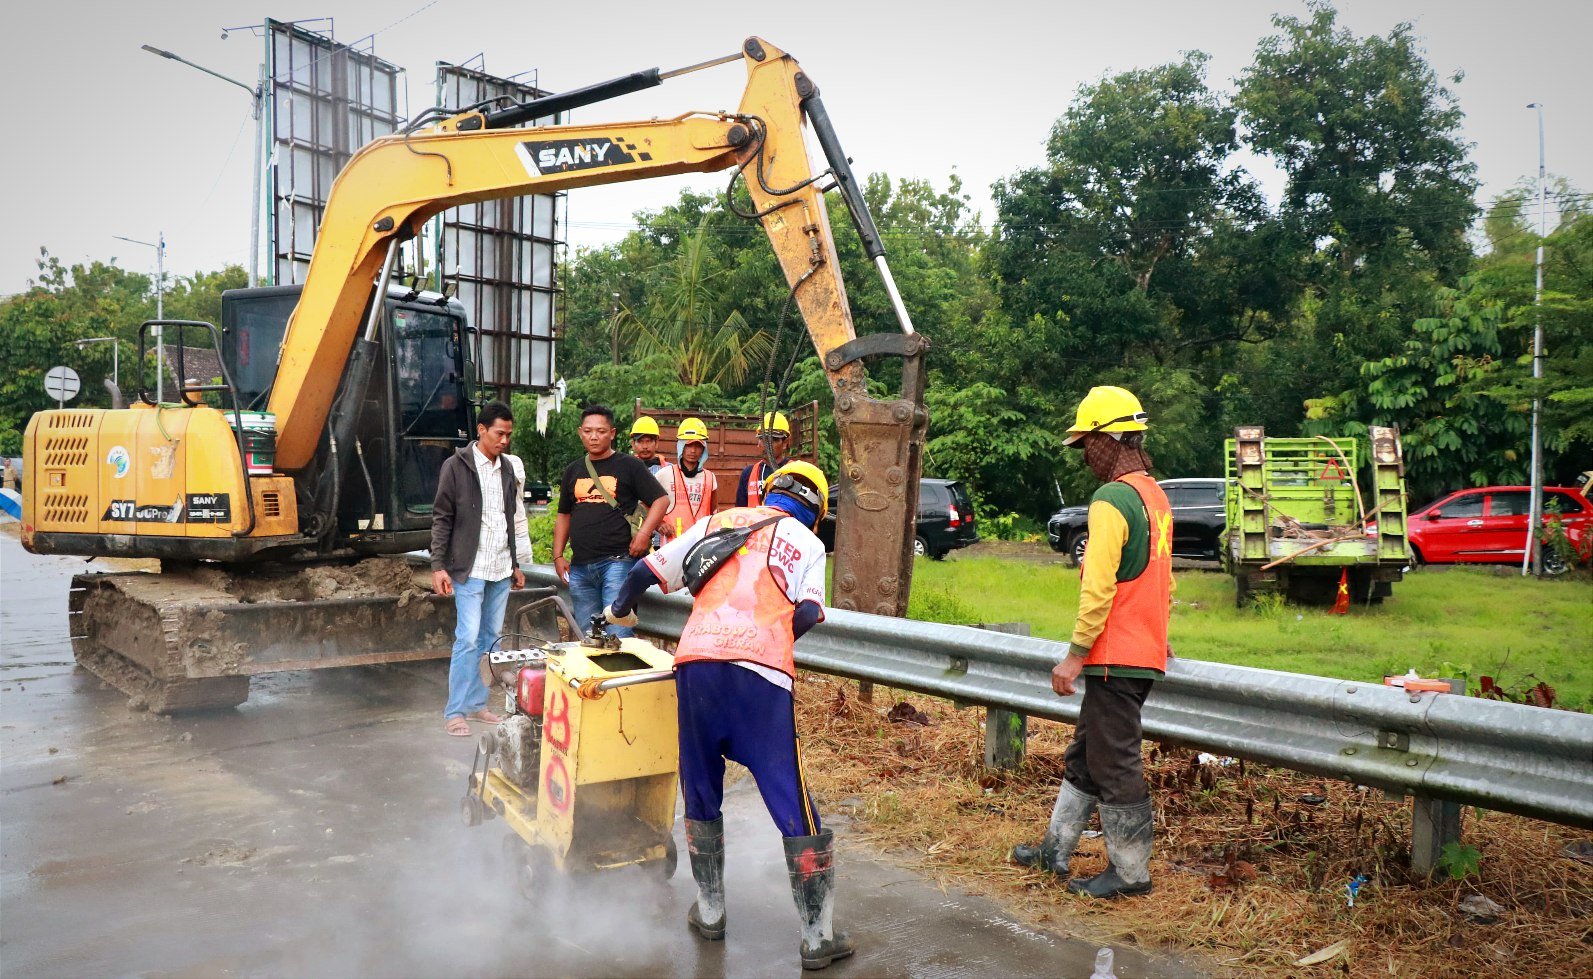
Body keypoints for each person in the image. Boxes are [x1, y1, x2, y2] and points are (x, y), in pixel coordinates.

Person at [603, 460, 854, 970]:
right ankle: (817, 935)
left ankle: (712, 913)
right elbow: (807, 611)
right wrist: (770, 639)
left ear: (770, 490)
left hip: (696, 665)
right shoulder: (807, 543)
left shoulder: (719, 522)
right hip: (759, 677)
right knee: (790, 796)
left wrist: (619, 613)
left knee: (700, 786)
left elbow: (642, 573)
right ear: (816, 511)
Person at [1010, 385, 1173, 899]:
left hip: (1113, 657)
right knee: (1086, 755)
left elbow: (1100, 585)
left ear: (1111, 440)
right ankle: (1053, 851)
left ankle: (1130, 874)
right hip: (1141, 651)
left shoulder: (1111, 500)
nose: (1086, 456)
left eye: (1087, 445)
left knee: (1113, 762)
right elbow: (1162, 579)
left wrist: (1075, 655)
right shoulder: (1155, 495)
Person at [430, 401, 534, 738]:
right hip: (468, 568)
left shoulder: (507, 470)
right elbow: (442, 517)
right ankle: (455, 711)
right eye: (499, 433)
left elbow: (510, 519)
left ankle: (477, 704)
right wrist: (438, 565)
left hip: (500, 567)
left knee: (491, 640)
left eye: (509, 435)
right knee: (468, 638)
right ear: (481, 430)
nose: (505, 440)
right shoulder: (456, 466)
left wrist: (515, 564)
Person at [551, 405, 668, 638]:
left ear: (612, 433)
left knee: (617, 634)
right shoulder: (573, 470)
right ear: (580, 433)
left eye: (601, 431)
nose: (594, 436)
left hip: (618, 563)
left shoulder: (629, 465)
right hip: (580, 568)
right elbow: (564, 514)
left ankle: (620, 676)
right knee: (588, 638)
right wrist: (557, 555)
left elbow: (661, 500)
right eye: (588, 431)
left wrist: (644, 535)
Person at [653, 416, 718, 543]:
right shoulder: (664, 475)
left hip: (700, 546)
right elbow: (644, 506)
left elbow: (713, 513)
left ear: (704, 448)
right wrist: (659, 523)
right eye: (688, 445)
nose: (693, 450)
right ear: (681, 446)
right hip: (670, 548)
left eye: (697, 446)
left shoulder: (710, 478)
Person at [734, 411, 793, 507]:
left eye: (773, 439)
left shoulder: (795, 472)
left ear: (785, 443)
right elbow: (740, 512)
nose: (767, 445)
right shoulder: (748, 473)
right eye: (763, 439)